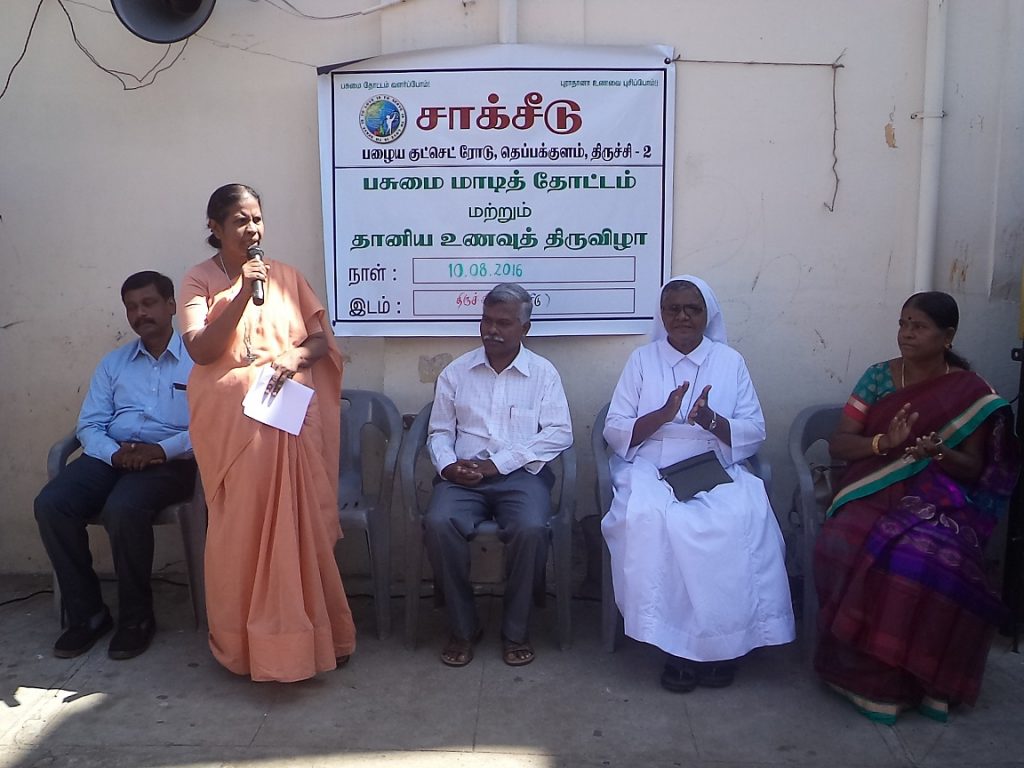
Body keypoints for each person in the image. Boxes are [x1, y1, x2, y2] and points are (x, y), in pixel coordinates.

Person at [814, 291, 1018, 724]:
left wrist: (939, 452)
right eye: (903, 323)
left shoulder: (971, 391)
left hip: (937, 494)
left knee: (928, 556)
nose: (906, 333)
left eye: (918, 326)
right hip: (870, 486)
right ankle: (860, 675)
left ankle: (924, 680)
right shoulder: (877, 378)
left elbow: (973, 469)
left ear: (947, 336)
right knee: (843, 540)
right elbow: (840, 442)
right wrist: (882, 443)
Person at [180, 183, 355, 682]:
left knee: (298, 533)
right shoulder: (198, 281)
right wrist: (238, 294)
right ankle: (244, 649)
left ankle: (317, 639)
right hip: (231, 434)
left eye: (257, 219)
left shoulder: (289, 278)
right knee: (239, 538)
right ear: (215, 229)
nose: (252, 229)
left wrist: (296, 357)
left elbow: (320, 340)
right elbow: (201, 350)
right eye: (239, 221)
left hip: (286, 424)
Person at [602, 275, 795, 692]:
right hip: (651, 464)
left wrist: (708, 420)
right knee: (653, 520)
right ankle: (676, 647)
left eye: (693, 309)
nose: (683, 316)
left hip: (714, 462)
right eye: (673, 309)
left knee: (738, 517)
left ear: (707, 315)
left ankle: (724, 647)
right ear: (662, 314)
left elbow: (754, 430)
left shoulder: (730, 361)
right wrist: (663, 413)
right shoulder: (641, 360)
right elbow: (615, 431)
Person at [35, 271, 196, 660]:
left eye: (149, 303)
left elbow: (210, 426)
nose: (141, 313)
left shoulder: (199, 360)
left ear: (171, 305)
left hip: (171, 461)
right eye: (131, 307)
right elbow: (89, 424)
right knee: (52, 504)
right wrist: (115, 454)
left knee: (123, 508)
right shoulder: (114, 363)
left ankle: (136, 619)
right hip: (113, 455)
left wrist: (160, 451)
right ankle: (87, 614)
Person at [424, 283, 573, 667]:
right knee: (439, 523)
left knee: (531, 529)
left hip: (521, 477)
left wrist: (500, 464)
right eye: (487, 320)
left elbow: (560, 432)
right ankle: (463, 627)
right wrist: (448, 465)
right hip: (463, 478)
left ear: (525, 328)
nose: (492, 330)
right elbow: (440, 432)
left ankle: (516, 630)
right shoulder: (457, 372)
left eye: (504, 323)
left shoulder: (543, 373)